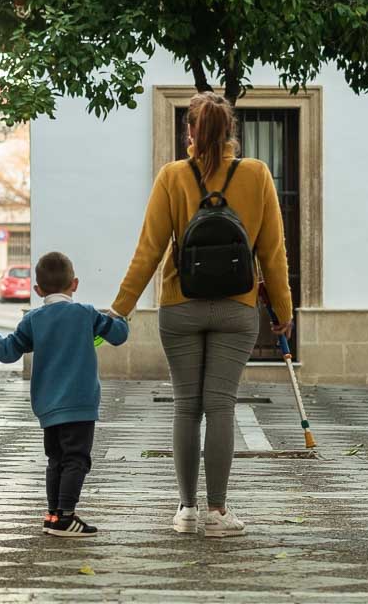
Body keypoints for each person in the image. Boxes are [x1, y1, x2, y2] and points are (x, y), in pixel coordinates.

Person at [110, 91, 293, 538]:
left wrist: (120, 310)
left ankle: (186, 510)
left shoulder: (172, 177)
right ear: (230, 131)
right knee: (221, 406)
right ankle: (217, 513)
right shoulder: (256, 174)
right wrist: (283, 313)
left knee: (187, 407)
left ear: (189, 132)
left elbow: (149, 250)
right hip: (237, 307)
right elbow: (272, 253)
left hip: (179, 305)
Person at [0, 251, 129, 538]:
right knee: (77, 459)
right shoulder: (86, 313)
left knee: (56, 460)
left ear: (38, 289)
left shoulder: (34, 319)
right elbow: (118, 335)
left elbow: (6, 351)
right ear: (74, 284)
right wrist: (120, 315)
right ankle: (66, 517)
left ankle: (52, 514)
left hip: (48, 407)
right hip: (79, 404)